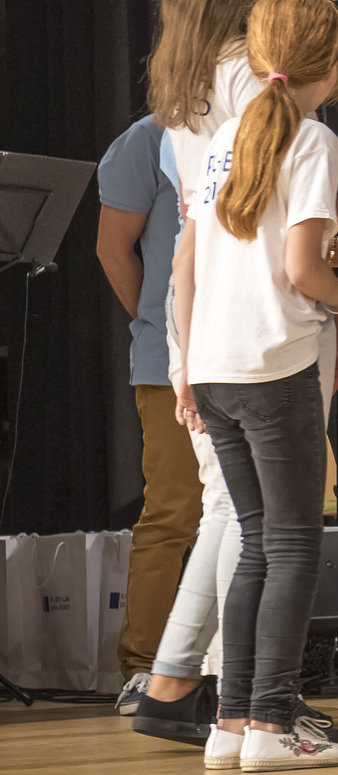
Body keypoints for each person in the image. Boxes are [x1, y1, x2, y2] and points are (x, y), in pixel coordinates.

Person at [133, 0, 338, 746]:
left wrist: (187, 359)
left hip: (211, 327)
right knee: (272, 532)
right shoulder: (260, 94)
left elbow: (208, 236)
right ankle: (255, 705)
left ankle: (209, 700)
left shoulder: (190, 80)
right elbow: (285, 238)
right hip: (267, 333)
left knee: (239, 518)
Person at [174, 0, 338, 770]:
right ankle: (273, 725)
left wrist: (186, 366)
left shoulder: (226, 136)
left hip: (215, 365)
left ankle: (233, 724)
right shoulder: (313, 140)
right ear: (336, 65)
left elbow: (188, 267)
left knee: (257, 541)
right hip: (272, 363)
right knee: (292, 546)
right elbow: (301, 269)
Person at [95, 116, 201, 713]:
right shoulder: (148, 137)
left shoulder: (258, 125)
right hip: (172, 364)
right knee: (174, 512)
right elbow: (113, 247)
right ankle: (144, 667)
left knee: (264, 517)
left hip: (254, 357)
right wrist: (161, 329)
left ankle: (238, 667)